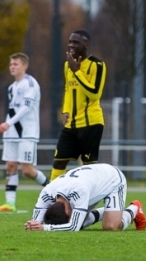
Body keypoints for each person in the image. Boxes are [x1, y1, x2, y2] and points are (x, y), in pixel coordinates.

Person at [0, 53, 49, 212]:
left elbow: (26, 107)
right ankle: (10, 203)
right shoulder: (12, 87)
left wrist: (7, 123)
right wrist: (8, 126)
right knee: (10, 165)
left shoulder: (30, 84)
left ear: (25, 66)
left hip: (27, 133)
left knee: (27, 170)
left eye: (16, 64)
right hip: (11, 133)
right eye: (11, 64)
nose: (12, 67)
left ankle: (52, 189)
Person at [49, 30, 107, 182]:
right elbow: (68, 89)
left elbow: (94, 94)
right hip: (71, 125)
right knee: (59, 161)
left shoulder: (97, 65)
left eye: (76, 42)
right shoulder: (67, 65)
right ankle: (52, 200)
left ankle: (88, 202)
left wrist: (78, 72)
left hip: (91, 123)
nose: (71, 45)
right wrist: (65, 110)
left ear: (86, 44)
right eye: (70, 42)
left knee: (89, 167)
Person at [24, 163, 146, 232]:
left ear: (67, 210)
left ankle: (134, 208)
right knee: (79, 221)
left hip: (112, 179)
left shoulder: (79, 192)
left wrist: (44, 228)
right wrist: (33, 225)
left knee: (111, 227)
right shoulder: (47, 192)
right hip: (92, 182)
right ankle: (110, 211)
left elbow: (73, 227)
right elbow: (36, 222)